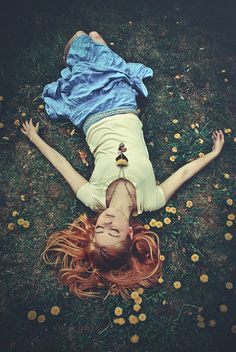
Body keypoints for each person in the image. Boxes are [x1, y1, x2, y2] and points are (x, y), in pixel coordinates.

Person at [20, 30, 225, 299]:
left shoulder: (93, 199)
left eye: (99, 229)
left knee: (83, 39)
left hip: (89, 111)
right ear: (129, 233)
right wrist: (212, 154)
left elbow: (63, 165)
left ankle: (80, 56)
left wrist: (35, 139)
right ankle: (88, 55)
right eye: (113, 230)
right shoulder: (151, 200)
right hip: (123, 103)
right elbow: (183, 172)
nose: (104, 222)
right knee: (92, 39)